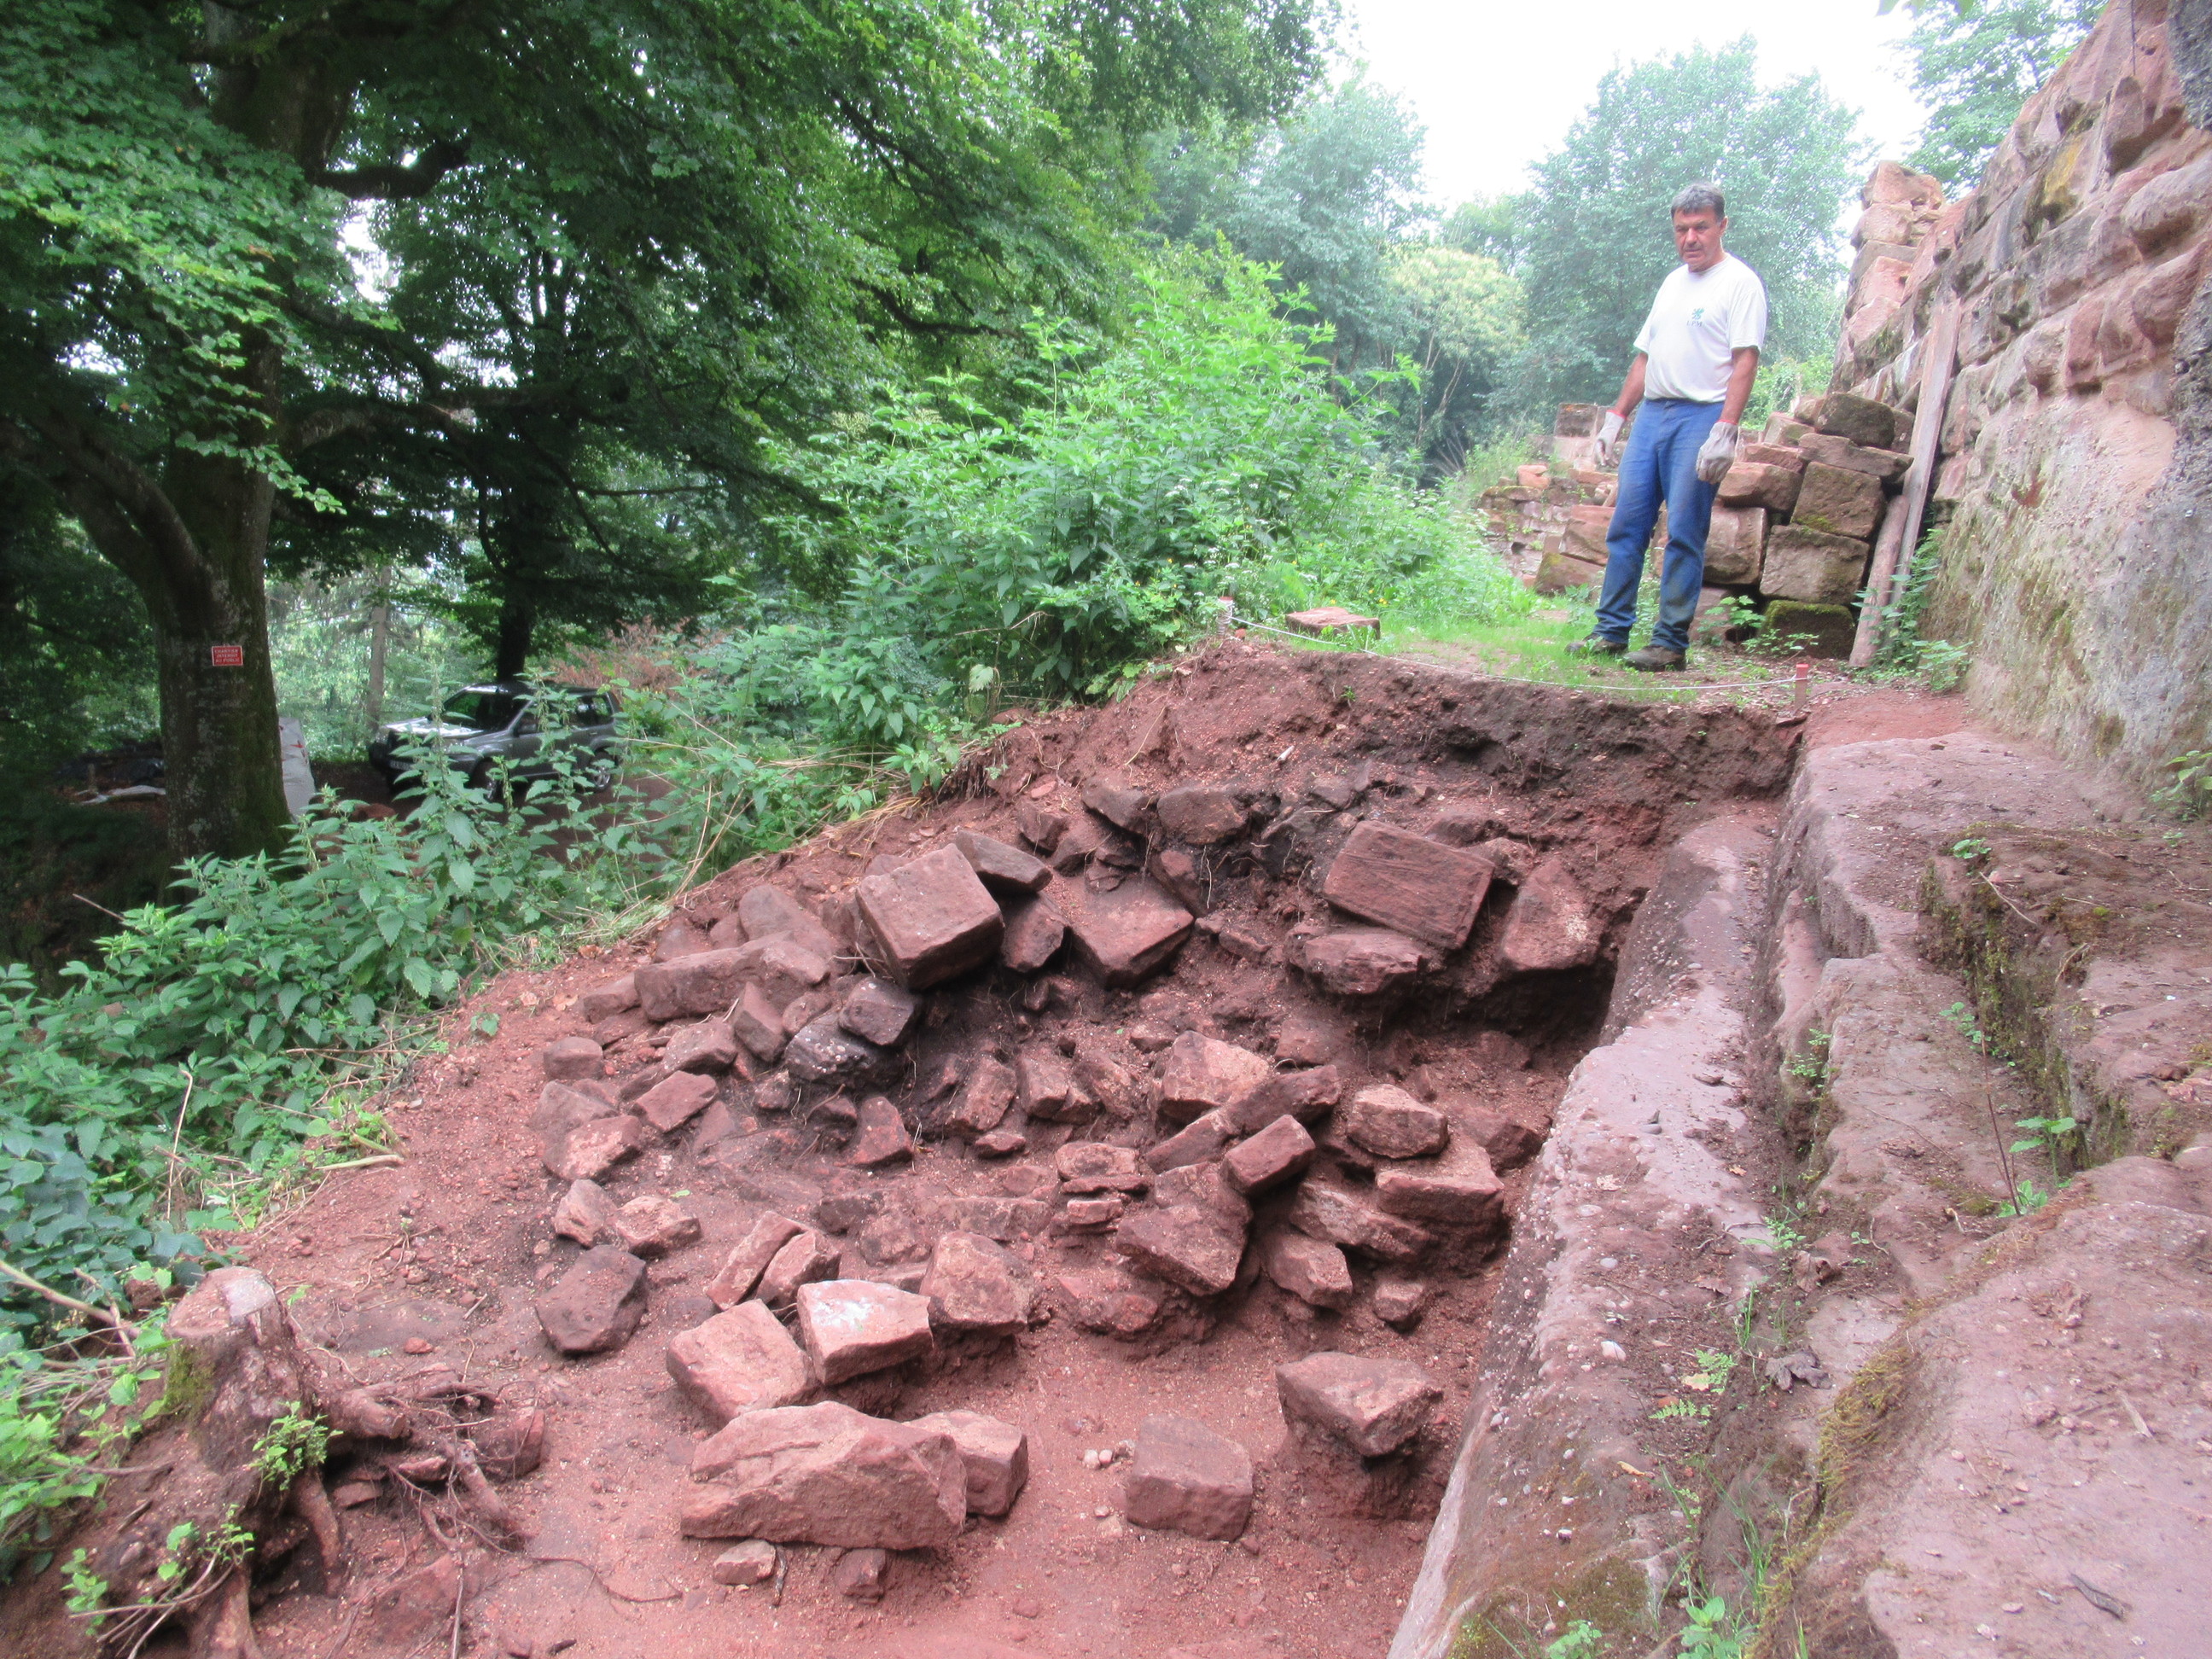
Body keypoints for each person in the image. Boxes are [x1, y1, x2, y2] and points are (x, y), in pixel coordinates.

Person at [1575, 183, 1767, 671]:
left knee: (1683, 529)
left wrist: (1726, 428)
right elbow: (1645, 357)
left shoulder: (1740, 283)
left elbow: (1745, 360)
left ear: (1722, 226)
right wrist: (1616, 418)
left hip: (1701, 415)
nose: (1690, 238)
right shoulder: (1672, 284)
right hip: (1653, 415)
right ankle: (1610, 631)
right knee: (1627, 524)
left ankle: (1669, 643)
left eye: (1701, 227)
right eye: (1682, 229)